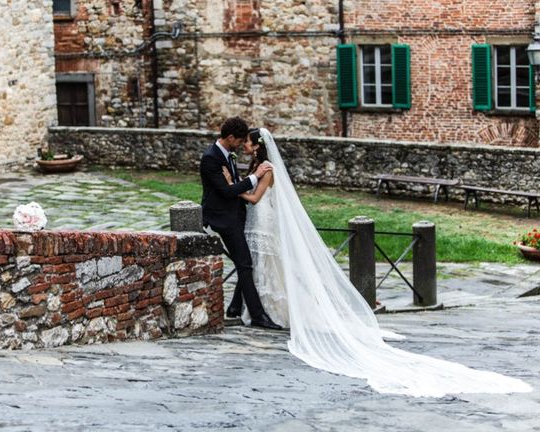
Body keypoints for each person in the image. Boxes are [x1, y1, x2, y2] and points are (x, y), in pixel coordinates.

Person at [223, 127, 532, 397]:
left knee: (268, 266)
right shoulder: (257, 165)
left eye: (248, 143)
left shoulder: (267, 169)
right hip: (258, 222)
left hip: (263, 219)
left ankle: (271, 310)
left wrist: (231, 187)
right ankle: (256, 308)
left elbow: (254, 198)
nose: (244, 146)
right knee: (262, 267)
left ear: (257, 146)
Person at [199, 117, 282, 330]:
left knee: (243, 262)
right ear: (230, 138)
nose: (242, 144)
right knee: (245, 263)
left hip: (236, 216)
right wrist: (255, 176)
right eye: (240, 140)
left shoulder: (227, 155)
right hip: (223, 219)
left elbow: (233, 186)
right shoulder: (211, 159)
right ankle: (257, 315)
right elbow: (227, 192)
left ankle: (236, 307)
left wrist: (237, 183)